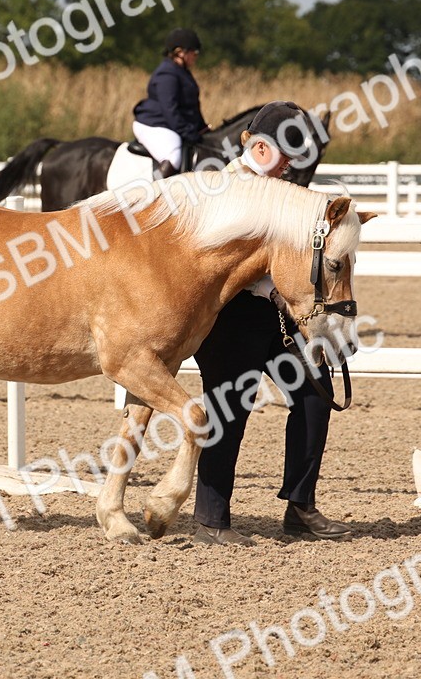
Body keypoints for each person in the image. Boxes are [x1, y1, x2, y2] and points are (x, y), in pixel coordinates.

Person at [191, 101, 352, 547]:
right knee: (229, 409)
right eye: (285, 157)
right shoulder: (222, 189)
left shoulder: (285, 192)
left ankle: (300, 506)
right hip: (231, 318)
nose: (289, 166)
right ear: (260, 148)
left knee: (316, 395)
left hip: (281, 315)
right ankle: (211, 518)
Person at [132, 28, 209, 177]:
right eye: (194, 52)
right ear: (179, 52)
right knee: (173, 157)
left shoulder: (182, 72)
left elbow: (192, 106)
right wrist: (187, 132)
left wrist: (202, 128)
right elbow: (170, 108)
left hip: (169, 124)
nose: (196, 56)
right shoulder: (167, 73)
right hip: (154, 124)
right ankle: (157, 191)